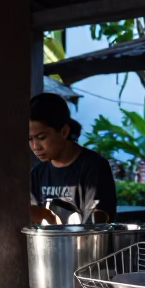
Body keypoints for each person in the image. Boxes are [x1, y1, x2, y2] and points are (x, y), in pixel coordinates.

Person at [29, 93, 117, 222]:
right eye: (30, 139)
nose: (35, 147)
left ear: (64, 131)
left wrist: (50, 218)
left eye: (41, 137)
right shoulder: (37, 174)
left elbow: (98, 221)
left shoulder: (94, 166)